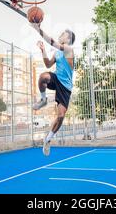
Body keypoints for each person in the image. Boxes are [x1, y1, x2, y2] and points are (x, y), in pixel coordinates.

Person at [31, 23, 75, 156]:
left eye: (64, 34)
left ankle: (48, 139)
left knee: (61, 116)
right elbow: (48, 64)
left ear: (68, 40)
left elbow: (53, 42)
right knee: (43, 76)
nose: (61, 34)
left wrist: (38, 29)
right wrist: (43, 50)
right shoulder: (57, 53)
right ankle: (43, 99)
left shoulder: (68, 49)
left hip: (65, 86)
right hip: (56, 79)